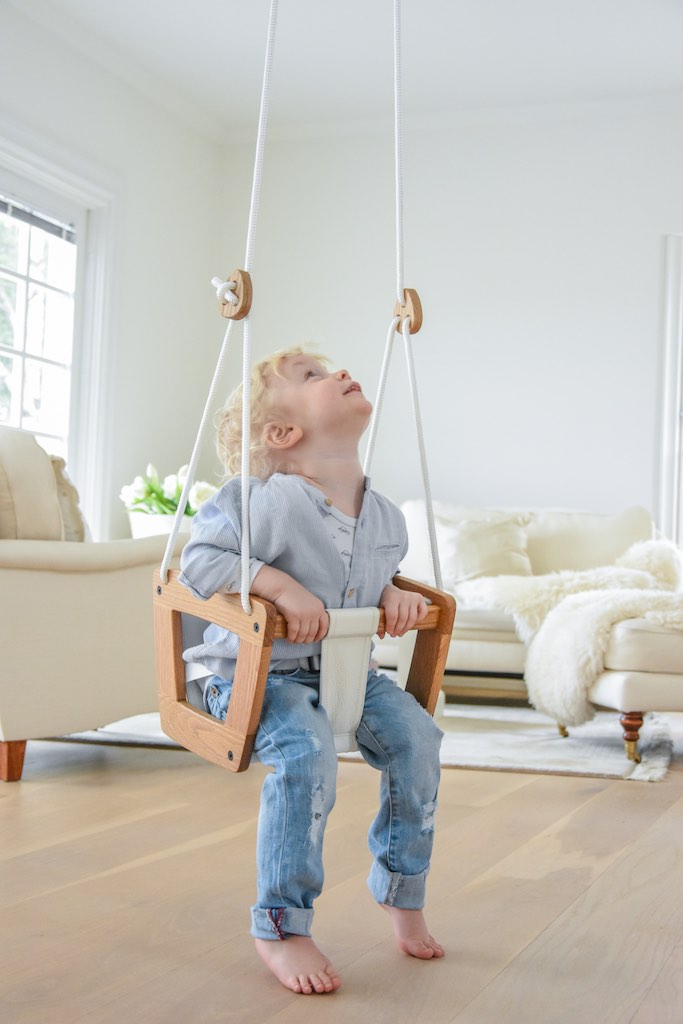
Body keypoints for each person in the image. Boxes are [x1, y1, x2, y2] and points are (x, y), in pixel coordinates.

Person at [179, 346, 444, 995]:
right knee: (305, 752)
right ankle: (281, 923)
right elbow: (197, 562)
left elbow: (370, 580)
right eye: (312, 376)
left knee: (417, 738)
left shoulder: (381, 514)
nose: (339, 372)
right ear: (281, 434)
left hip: (347, 674)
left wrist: (393, 597)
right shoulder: (256, 498)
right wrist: (274, 584)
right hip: (256, 676)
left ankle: (398, 886)